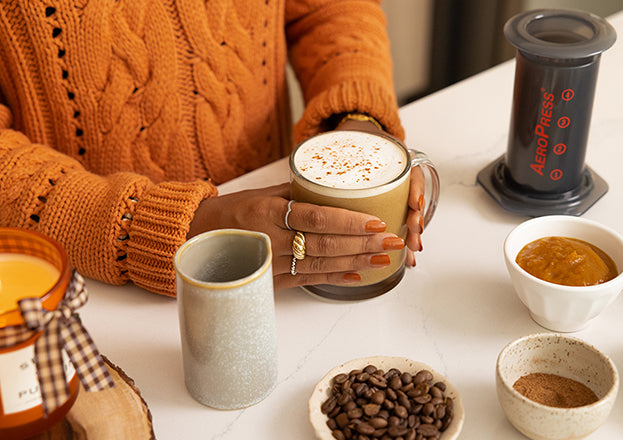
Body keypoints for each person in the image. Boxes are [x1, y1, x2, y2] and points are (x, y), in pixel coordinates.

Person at [0, 0, 425, 297]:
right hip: (85, 285)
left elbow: (328, 10)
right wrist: (143, 228)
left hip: (284, 243)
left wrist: (357, 122)